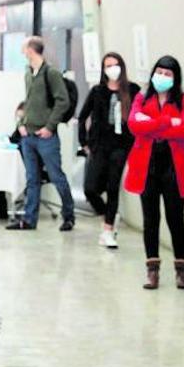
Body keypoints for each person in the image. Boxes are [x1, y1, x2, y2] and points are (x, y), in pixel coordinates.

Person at [124, 55, 184, 290]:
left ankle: (182, 271)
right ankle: (152, 271)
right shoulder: (141, 97)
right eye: (159, 72)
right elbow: (134, 125)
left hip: (175, 167)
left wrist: (153, 124)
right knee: (150, 219)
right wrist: (168, 122)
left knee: (176, 218)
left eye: (168, 74)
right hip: (147, 166)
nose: (163, 77)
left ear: (175, 78)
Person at [6, 36, 75, 231]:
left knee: (56, 176)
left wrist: (50, 127)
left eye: (24, 46)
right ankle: (29, 220)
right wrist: (21, 123)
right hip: (28, 137)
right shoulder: (28, 73)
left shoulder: (51, 73)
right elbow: (27, 102)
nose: (21, 51)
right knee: (32, 179)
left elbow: (63, 101)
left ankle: (68, 216)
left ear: (31, 49)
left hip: (46, 137)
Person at [78, 52, 141, 248]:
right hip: (100, 145)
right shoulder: (97, 91)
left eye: (115, 64)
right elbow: (82, 117)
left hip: (122, 146)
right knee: (90, 188)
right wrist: (85, 142)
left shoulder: (132, 89)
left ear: (121, 66)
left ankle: (107, 231)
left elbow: (140, 116)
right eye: (108, 65)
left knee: (113, 186)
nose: (112, 68)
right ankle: (109, 215)